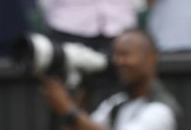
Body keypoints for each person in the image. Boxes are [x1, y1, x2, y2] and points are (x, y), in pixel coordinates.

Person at [39, 29, 180, 130]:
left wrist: (68, 109)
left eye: (125, 54)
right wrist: (79, 93)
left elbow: (76, 118)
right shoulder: (116, 103)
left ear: (151, 59)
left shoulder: (161, 110)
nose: (118, 62)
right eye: (115, 55)